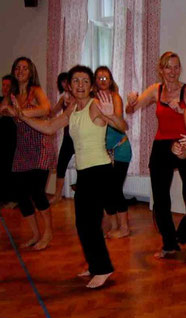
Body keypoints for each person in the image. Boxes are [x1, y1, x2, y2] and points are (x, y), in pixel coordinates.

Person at [11, 65, 128, 288]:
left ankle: (103, 269)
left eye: (85, 81)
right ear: (69, 86)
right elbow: (49, 126)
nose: (80, 85)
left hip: (99, 171)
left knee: (91, 223)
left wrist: (112, 114)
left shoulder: (96, 106)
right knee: (82, 223)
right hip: (85, 172)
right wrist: (23, 117)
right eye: (76, 81)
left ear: (91, 85)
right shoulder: (73, 109)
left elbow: (123, 126)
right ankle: (95, 265)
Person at [125, 51, 186, 262]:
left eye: (176, 67)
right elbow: (131, 110)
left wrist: (183, 112)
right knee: (160, 199)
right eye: (168, 67)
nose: (172, 71)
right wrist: (131, 102)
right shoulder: (155, 90)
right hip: (162, 145)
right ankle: (169, 243)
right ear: (161, 69)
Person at [0, 57, 53, 250]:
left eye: (25, 68)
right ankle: (35, 234)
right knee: (21, 195)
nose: (21, 71)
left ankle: (48, 233)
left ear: (31, 72)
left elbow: (45, 109)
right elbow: (2, 110)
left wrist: (20, 113)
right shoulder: (11, 94)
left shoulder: (36, 91)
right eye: (18, 68)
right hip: (22, 148)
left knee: (37, 192)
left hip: (39, 145)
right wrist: (12, 111)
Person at [94, 66, 131, 239]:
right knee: (104, 190)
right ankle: (114, 225)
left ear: (111, 80)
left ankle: (124, 227)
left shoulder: (115, 97)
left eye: (106, 77)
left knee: (115, 189)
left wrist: (106, 115)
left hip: (120, 150)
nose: (103, 80)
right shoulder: (92, 100)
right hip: (102, 152)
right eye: (99, 77)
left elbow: (119, 123)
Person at [50, 72, 73, 204]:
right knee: (61, 166)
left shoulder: (78, 97)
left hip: (80, 138)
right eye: (62, 82)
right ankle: (58, 194)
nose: (65, 85)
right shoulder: (63, 98)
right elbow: (52, 112)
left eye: (66, 81)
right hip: (67, 138)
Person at [0, 75, 18, 207]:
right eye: (3, 85)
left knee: (10, 168)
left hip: (12, 140)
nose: (4, 88)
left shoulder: (15, 102)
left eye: (7, 85)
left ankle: (12, 198)